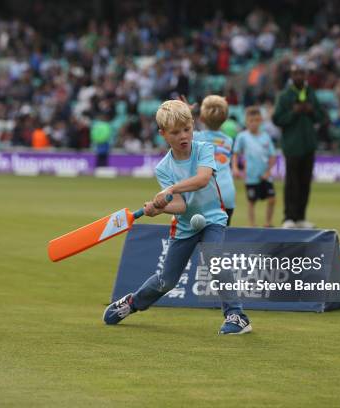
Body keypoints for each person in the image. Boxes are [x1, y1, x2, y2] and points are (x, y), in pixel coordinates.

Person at [103, 100, 251, 335]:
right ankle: (132, 303)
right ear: (163, 134)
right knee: (166, 281)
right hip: (184, 227)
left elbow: (203, 179)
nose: (183, 136)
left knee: (215, 260)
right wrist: (159, 209)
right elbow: (181, 206)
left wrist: (170, 191)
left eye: (187, 129)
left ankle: (237, 315)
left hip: (213, 218)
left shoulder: (204, 148)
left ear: (193, 126)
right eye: (175, 132)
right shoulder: (164, 168)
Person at [272, 64, 325, 228]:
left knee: (305, 182)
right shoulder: (285, 95)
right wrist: (293, 112)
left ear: (306, 75)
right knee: (292, 183)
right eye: (295, 74)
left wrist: (310, 111)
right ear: (291, 76)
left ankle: (301, 217)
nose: (298, 77)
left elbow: (321, 117)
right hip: (292, 146)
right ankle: (289, 217)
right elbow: (277, 119)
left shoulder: (310, 93)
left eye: (301, 73)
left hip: (308, 144)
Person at [192, 95, 237, 225]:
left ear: (201, 117)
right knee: (220, 239)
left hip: (205, 195)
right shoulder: (229, 141)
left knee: (199, 238)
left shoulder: (195, 138)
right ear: (225, 118)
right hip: (227, 194)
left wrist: (187, 114)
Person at [233, 106, 277, 227]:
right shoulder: (242, 137)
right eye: (251, 121)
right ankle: (252, 225)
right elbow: (236, 153)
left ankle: (268, 222)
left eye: (257, 120)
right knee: (252, 201)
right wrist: (235, 167)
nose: (254, 123)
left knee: (272, 199)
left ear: (261, 121)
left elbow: (273, 155)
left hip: (265, 176)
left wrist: (268, 172)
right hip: (251, 176)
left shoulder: (265, 137)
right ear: (246, 121)